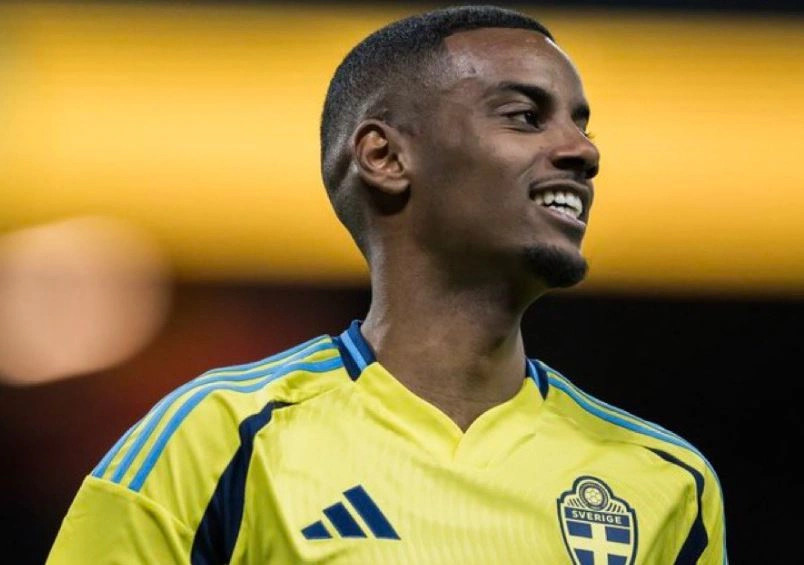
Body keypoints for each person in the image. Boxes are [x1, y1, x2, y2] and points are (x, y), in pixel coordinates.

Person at [47, 5, 727, 564]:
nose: (584, 150)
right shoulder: (218, 440)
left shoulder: (666, 481)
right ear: (385, 156)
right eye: (525, 115)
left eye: (581, 123)